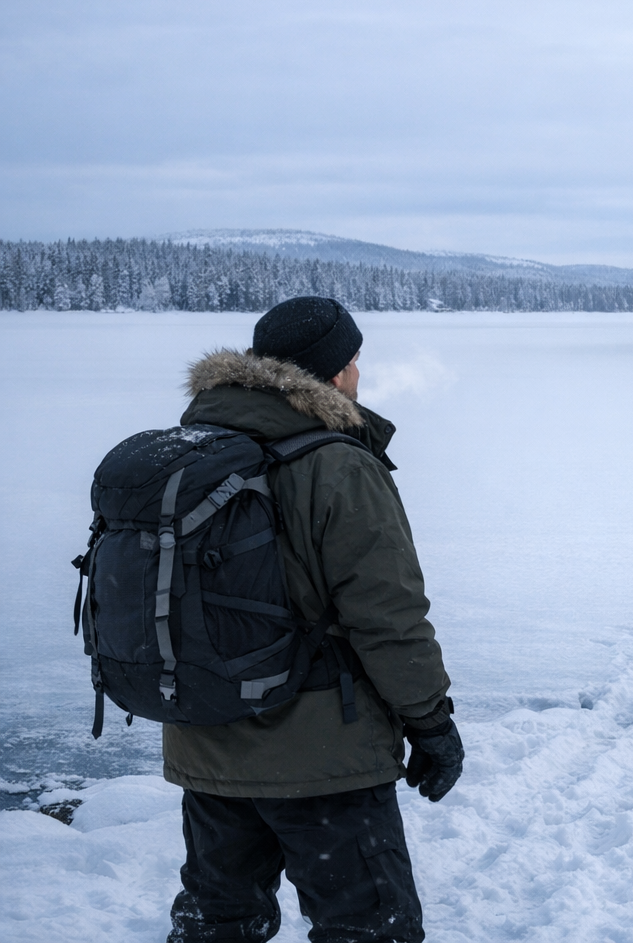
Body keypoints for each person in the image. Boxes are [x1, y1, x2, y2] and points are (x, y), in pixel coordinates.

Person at [163, 296, 462, 943]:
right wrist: (431, 722)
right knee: (369, 927)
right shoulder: (336, 464)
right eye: (354, 362)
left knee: (218, 923)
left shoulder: (196, 445)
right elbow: (388, 616)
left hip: (208, 743)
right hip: (321, 751)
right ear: (332, 374)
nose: (359, 375)